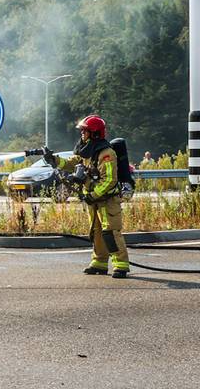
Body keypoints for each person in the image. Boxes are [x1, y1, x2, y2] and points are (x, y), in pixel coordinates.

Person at [29, 115, 129, 278]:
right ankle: (99, 263)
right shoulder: (86, 151)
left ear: (95, 133)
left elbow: (110, 180)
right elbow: (70, 163)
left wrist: (93, 195)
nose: (82, 133)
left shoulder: (106, 153)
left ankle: (121, 265)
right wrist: (53, 159)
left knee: (110, 232)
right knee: (95, 232)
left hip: (107, 201)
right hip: (93, 200)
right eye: (82, 130)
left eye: (85, 131)